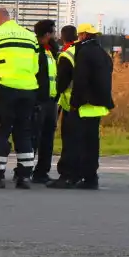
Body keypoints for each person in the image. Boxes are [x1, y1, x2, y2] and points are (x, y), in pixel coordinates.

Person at [0, 7, 39, 189]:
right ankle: (24, 177)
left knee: (1, 131)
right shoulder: (29, 36)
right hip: (28, 89)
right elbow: (35, 67)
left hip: (5, 88)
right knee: (24, 131)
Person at [67, 23, 115, 190]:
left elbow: (80, 80)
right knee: (92, 143)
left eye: (80, 35)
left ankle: (79, 176)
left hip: (85, 104)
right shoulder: (103, 53)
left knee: (79, 142)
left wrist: (74, 102)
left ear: (84, 35)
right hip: (99, 105)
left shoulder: (84, 52)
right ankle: (91, 176)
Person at [49, 25, 79, 189]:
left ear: (63, 37)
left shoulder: (66, 54)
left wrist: (55, 97)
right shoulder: (80, 51)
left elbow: (62, 82)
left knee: (68, 140)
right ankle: (76, 173)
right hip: (81, 103)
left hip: (68, 102)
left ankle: (65, 174)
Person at [30, 20, 59, 184]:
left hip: (51, 101)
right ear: (47, 34)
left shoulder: (51, 51)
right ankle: (25, 169)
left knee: (48, 139)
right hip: (39, 100)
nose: (54, 35)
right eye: (53, 32)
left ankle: (42, 171)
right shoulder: (35, 50)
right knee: (34, 137)